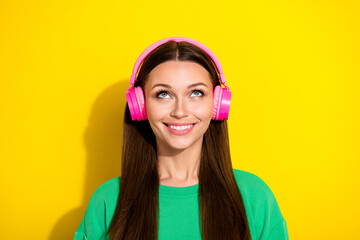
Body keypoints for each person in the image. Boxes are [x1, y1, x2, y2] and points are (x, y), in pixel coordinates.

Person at [74, 37, 289, 240]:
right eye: (163, 94)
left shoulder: (255, 197)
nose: (180, 111)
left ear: (216, 104)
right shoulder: (108, 201)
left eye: (196, 93)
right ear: (140, 105)